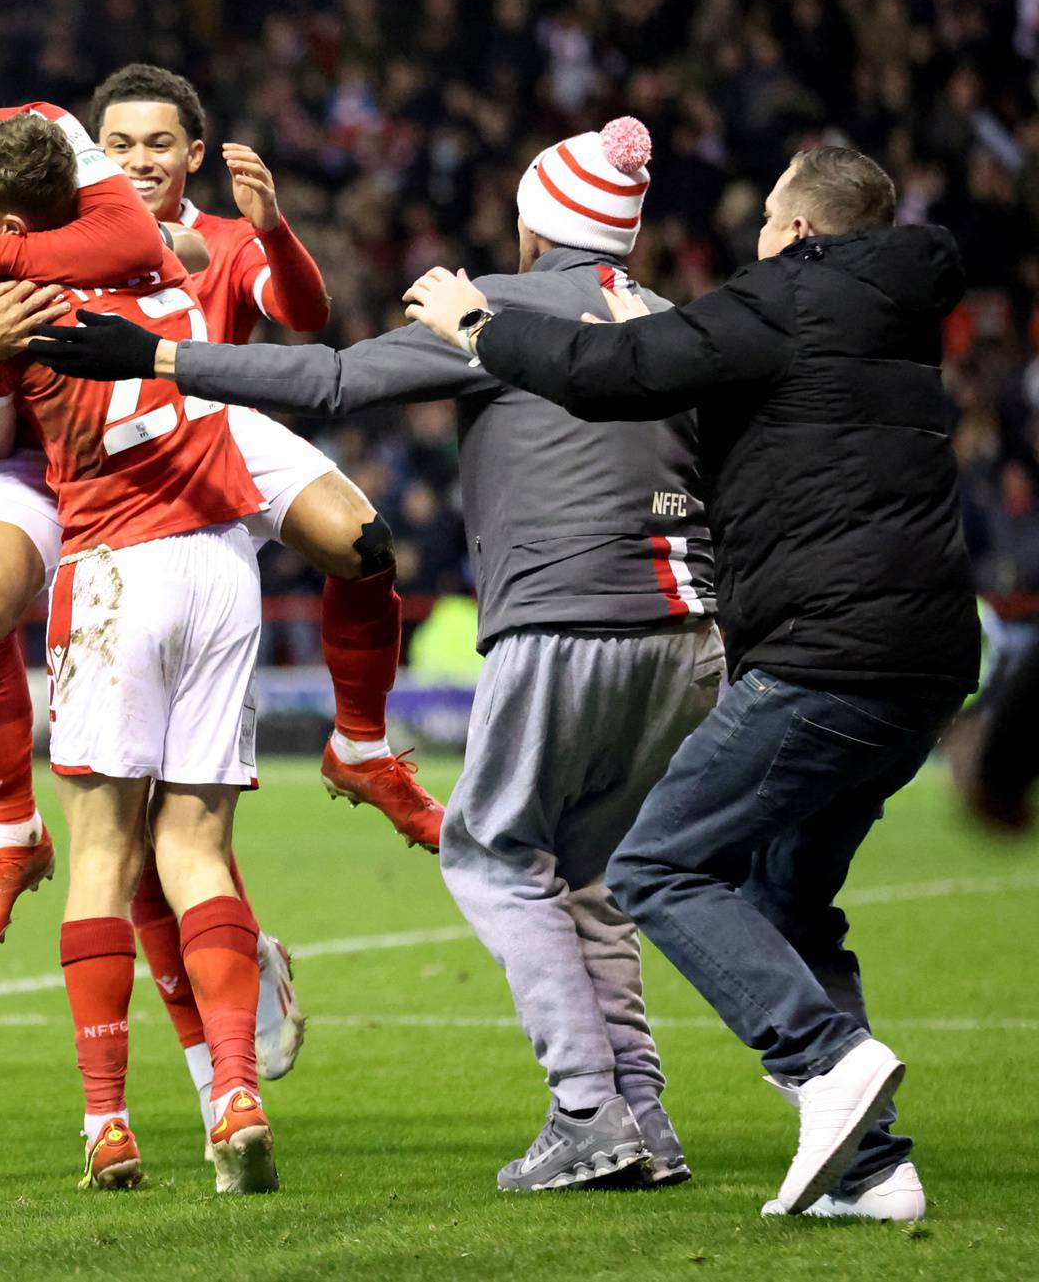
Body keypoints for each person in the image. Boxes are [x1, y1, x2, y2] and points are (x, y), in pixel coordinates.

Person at [32, 117, 715, 1191]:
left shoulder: (496, 306)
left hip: (564, 623)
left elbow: (337, 379)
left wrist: (156, 354)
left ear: (540, 218)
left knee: (494, 855)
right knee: (591, 878)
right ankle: (644, 1112)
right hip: (687, 633)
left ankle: (588, 1109)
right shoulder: (664, 315)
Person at [403, 146, 978, 1222]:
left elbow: (607, 373)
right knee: (791, 893)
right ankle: (871, 1167)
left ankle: (823, 1058)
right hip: (927, 657)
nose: (756, 238)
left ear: (803, 234)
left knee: (657, 863)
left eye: (768, 219)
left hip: (828, 652)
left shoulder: (790, 295)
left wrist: (475, 323)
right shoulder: (890, 313)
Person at [0, 26, 440, 965]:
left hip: (175, 414)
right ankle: (11, 837)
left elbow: (128, 235)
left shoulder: (31, 134)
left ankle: (360, 747)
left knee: (361, 540)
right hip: (41, 449)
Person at [0, 113, 278, 1193]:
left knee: (102, 857)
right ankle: (234, 1091)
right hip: (222, 568)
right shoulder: (166, 260)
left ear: (3, 224)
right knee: (197, 851)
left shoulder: (21, 311)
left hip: (114, 570)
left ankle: (108, 1123)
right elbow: (141, 232)